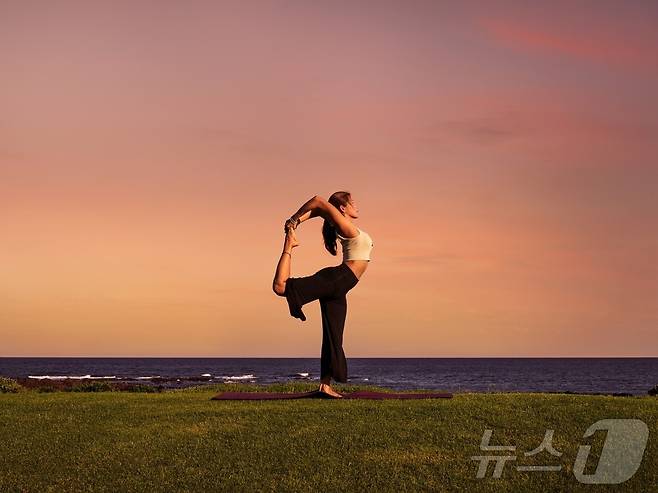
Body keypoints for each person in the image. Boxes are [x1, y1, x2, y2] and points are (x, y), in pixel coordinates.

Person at [272, 191, 374, 398]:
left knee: (332, 336)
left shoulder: (344, 226)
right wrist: (293, 220)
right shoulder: (347, 228)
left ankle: (325, 386)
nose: (356, 205)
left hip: (340, 285)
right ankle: (288, 247)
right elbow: (318, 202)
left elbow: (319, 211)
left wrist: (297, 222)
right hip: (337, 279)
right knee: (280, 287)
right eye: (351, 202)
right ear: (342, 208)